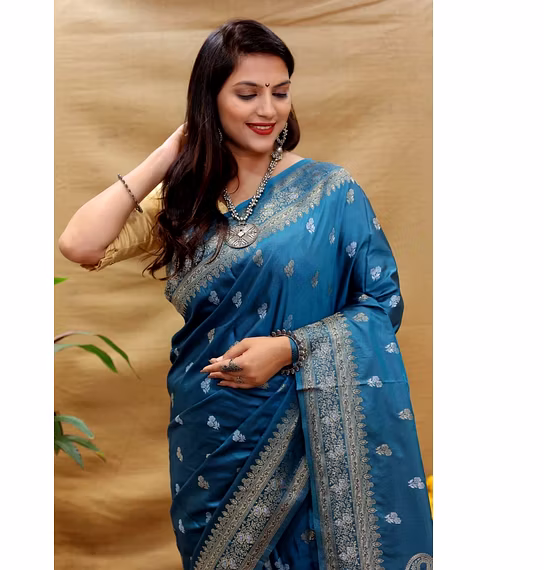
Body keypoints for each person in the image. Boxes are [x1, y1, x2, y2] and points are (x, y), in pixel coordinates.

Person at [58, 18, 433, 570]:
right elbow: (80, 244)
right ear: (209, 100)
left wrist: (288, 349)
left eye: (280, 92)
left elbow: (382, 303)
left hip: (308, 424)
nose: (267, 110)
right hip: (211, 430)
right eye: (247, 93)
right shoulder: (181, 200)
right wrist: (173, 149)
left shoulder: (332, 192)